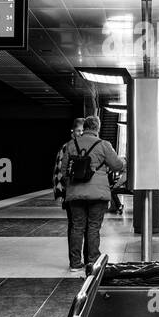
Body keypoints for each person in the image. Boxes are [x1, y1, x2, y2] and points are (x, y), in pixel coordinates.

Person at [56, 115, 125, 273]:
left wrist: (72, 184)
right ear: (97, 128)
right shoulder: (103, 145)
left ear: (85, 127)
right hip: (98, 193)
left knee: (77, 227)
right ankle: (92, 261)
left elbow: (63, 169)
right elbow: (117, 165)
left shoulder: (71, 144)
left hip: (75, 193)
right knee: (93, 227)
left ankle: (75, 263)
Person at [53, 118, 85, 259]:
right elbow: (58, 170)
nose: (81, 133)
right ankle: (75, 258)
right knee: (74, 225)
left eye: (83, 130)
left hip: (82, 191)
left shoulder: (84, 145)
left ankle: (78, 259)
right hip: (71, 192)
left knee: (77, 226)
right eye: (78, 130)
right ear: (72, 131)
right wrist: (59, 192)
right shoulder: (66, 147)